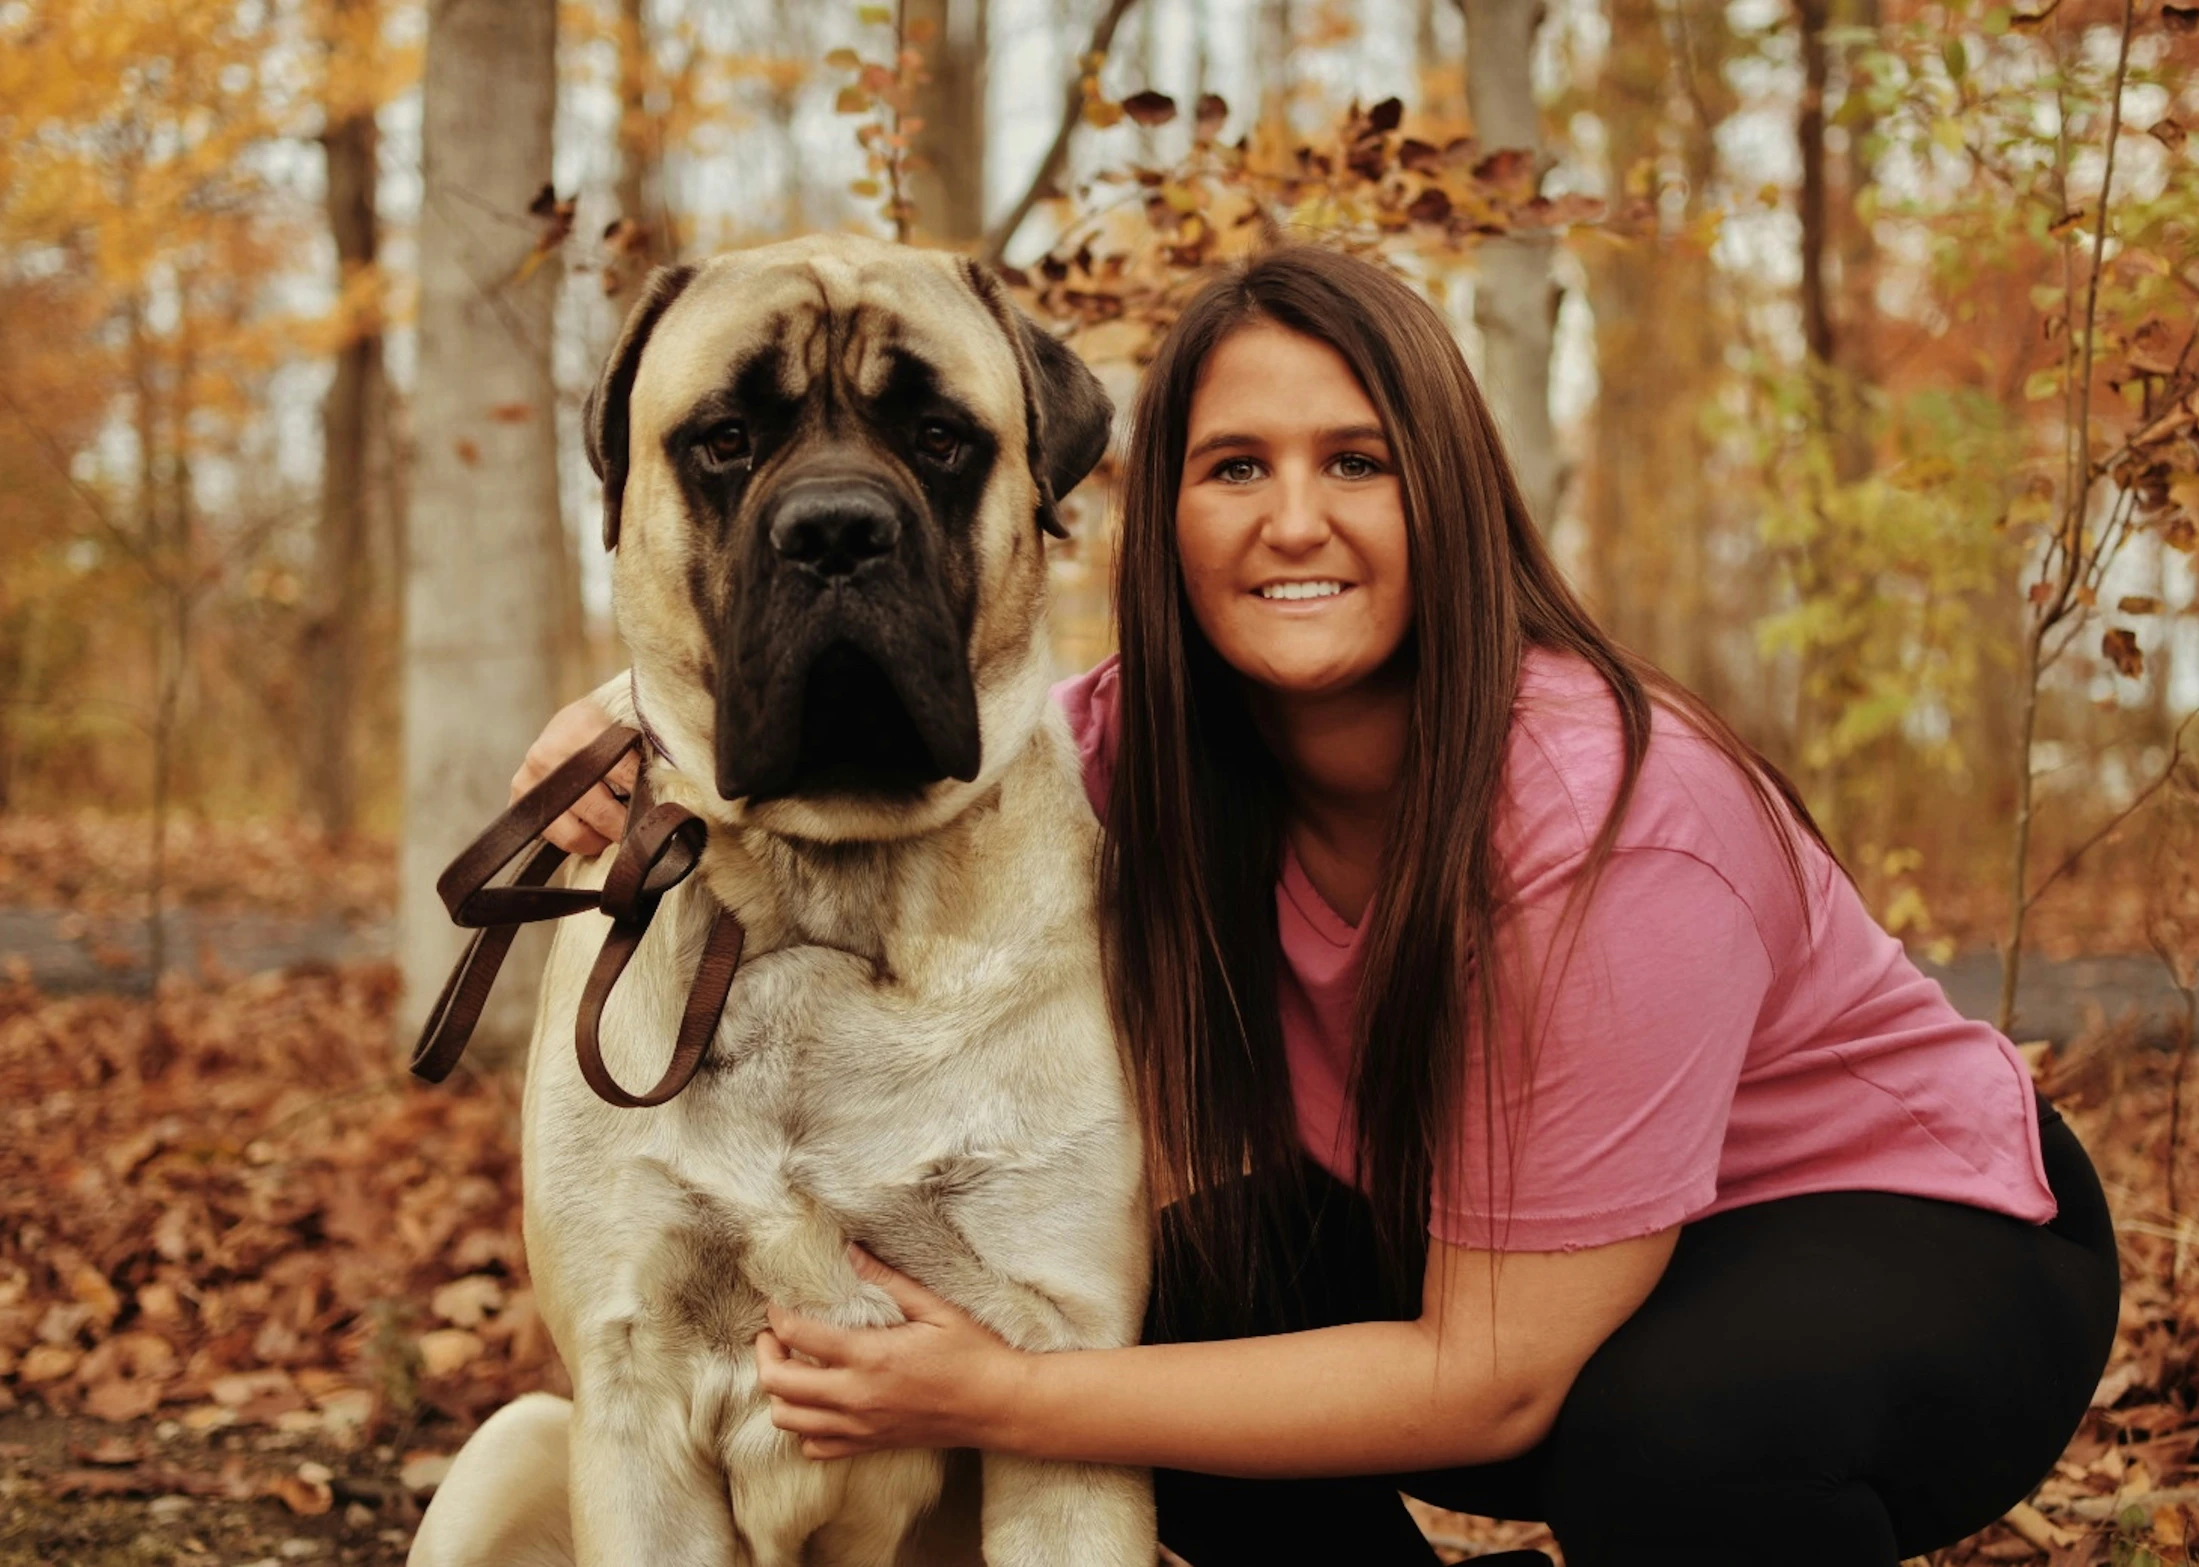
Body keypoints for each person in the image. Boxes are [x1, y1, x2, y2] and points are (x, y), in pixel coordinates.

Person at [516, 244, 2118, 1566]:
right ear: (1161, 513)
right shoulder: (1143, 740)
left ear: (1451, 491)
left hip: (1894, 1236)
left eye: (1356, 461)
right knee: (1189, 1312)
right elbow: (930, 691)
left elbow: (1490, 1384)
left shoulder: (1610, 821)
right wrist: (624, 721)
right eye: (1234, 467)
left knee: (1676, 1445)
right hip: (1508, 1239)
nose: (1294, 521)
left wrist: (1016, 1395)